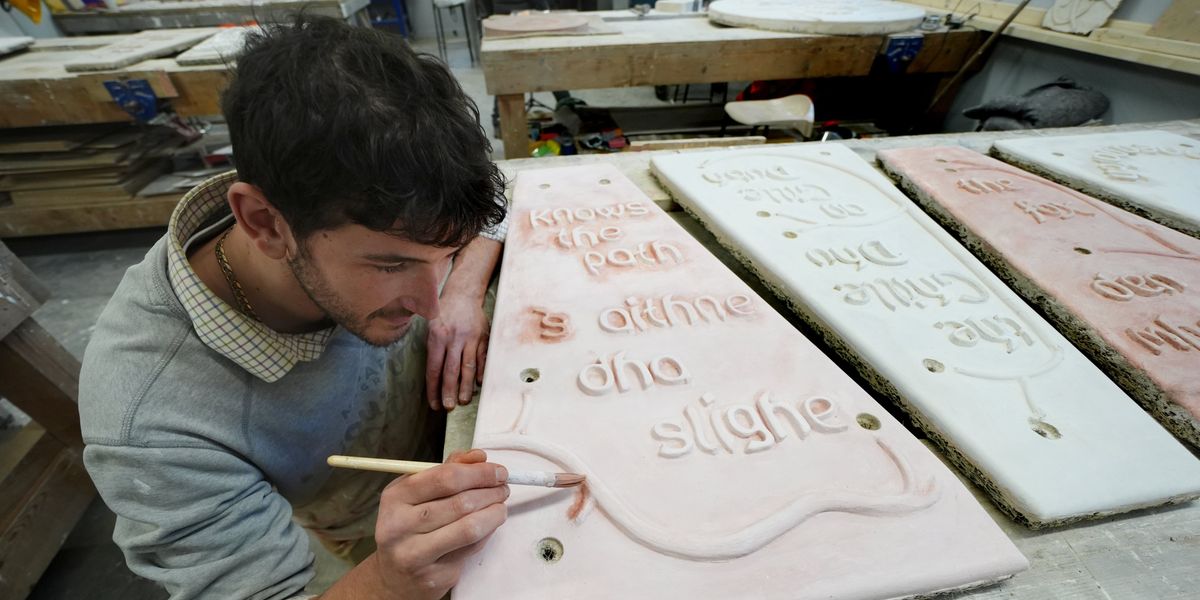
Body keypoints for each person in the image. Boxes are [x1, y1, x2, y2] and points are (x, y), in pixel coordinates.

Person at [79, 16, 511, 599]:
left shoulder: (364, 211)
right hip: (369, 531)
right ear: (264, 223)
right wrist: (389, 579)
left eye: (446, 256)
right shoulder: (153, 424)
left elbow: (497, 199)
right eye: (391, 266)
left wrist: (464, 289)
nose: (429, 308)